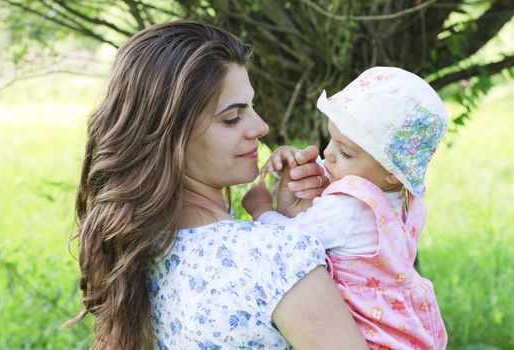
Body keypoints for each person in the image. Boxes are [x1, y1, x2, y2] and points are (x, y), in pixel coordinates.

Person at [66, 20, 368, 349]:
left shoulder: (139, 250)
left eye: (252, 107)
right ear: (170, 136)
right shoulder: (276, 258)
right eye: (231, 118)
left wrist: (288, 219)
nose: (261, 126)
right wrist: (286, 234)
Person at [243, 67, 448, 349]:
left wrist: (262, 210)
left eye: (345, 152)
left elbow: (289, 241)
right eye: (331, 140)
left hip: (361, 333)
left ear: (392, 172)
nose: (327, 153)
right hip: (400, 327)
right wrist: (293, 170)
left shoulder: (349, 208)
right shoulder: (401, 199)